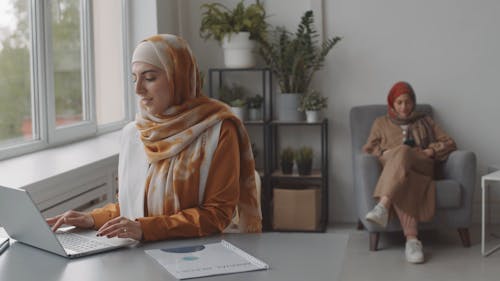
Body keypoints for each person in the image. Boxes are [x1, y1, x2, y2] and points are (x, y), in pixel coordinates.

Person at [47, 34, 262, 241]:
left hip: (198, 255)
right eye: (134, 79)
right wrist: (91, 218)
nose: (138, 89)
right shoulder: (135, 133)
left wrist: (146, 229)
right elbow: (133, 205)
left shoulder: (219, 130)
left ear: (178, 77)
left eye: (149, 78)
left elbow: (217, 215)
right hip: (141, 252)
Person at [362, 81, 456, 264]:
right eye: (399, 103)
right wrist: (384, 153)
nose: (404, 107)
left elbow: (449, 142)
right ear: (392, 104)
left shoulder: (425, 120)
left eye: (408, 102)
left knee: (405, 151)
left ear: (413, 102)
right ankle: (412, 240)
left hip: (422, 164)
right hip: (397, 172)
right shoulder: (380, 122)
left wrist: (431, 151)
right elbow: (368, 147)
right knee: (405, 174)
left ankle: (382, 206)